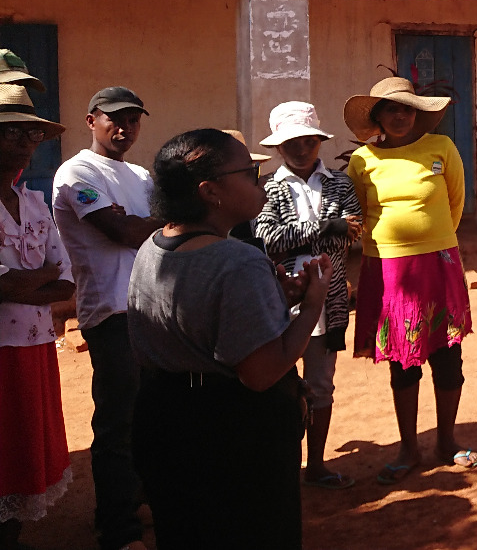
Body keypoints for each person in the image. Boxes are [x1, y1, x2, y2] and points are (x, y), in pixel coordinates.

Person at [127, 129, 331, 549]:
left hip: (165, 420)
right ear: (210, 191)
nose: (261, 179)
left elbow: (196, 320)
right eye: (250, 171)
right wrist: (311, 306)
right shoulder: (237, 261)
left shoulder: (153, 245)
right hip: (232, 436)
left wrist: (273, 300)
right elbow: (261, 373)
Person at [344, 77, 477, 484]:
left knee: (447, 356)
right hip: (386, 269)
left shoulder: (442, 149)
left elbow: (456, 203)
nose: (401, 115)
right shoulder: (361, 160)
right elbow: (359, 211)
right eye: (391, 109)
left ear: (418, 113)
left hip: (438, 265)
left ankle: (447, 441)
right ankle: (408, 448)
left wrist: (434, 241)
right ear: (377, 116)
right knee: (403, 361)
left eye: (407, 108)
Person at [52, 86, 161, 550]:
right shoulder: (76, 172)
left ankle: (142, 498)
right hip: (110, 312)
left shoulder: (139, 175)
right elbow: (125, 231)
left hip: (153, 307)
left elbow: (146, 228)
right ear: (91, 120)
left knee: (153, 414)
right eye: (115, 118)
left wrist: (149, 226)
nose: (125, 127)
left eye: (134, 119)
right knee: (117, 422)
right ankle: (116, 527)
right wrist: (161, 225)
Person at [254, 101, 363, 489]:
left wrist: (327, 229)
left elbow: (353, 231)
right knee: (279, 386)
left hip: (329, 300)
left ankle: (315, 465)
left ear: (318, 140)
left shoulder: (339, 182)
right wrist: (328, 226)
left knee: (320, 385)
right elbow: (268, 240)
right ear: (278, 148)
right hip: (280, 301)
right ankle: (284, 467)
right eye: (292, 143)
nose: (301, 149)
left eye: (308, 140)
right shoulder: (268, 187)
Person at [0, 86, 74, 550]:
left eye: (31, 132)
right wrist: (36, 278)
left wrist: (17, 282)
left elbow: (65, 281)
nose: (25, 140)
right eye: (12, 131)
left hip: (33, 346)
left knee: (24, 447)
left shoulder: (34, 203)